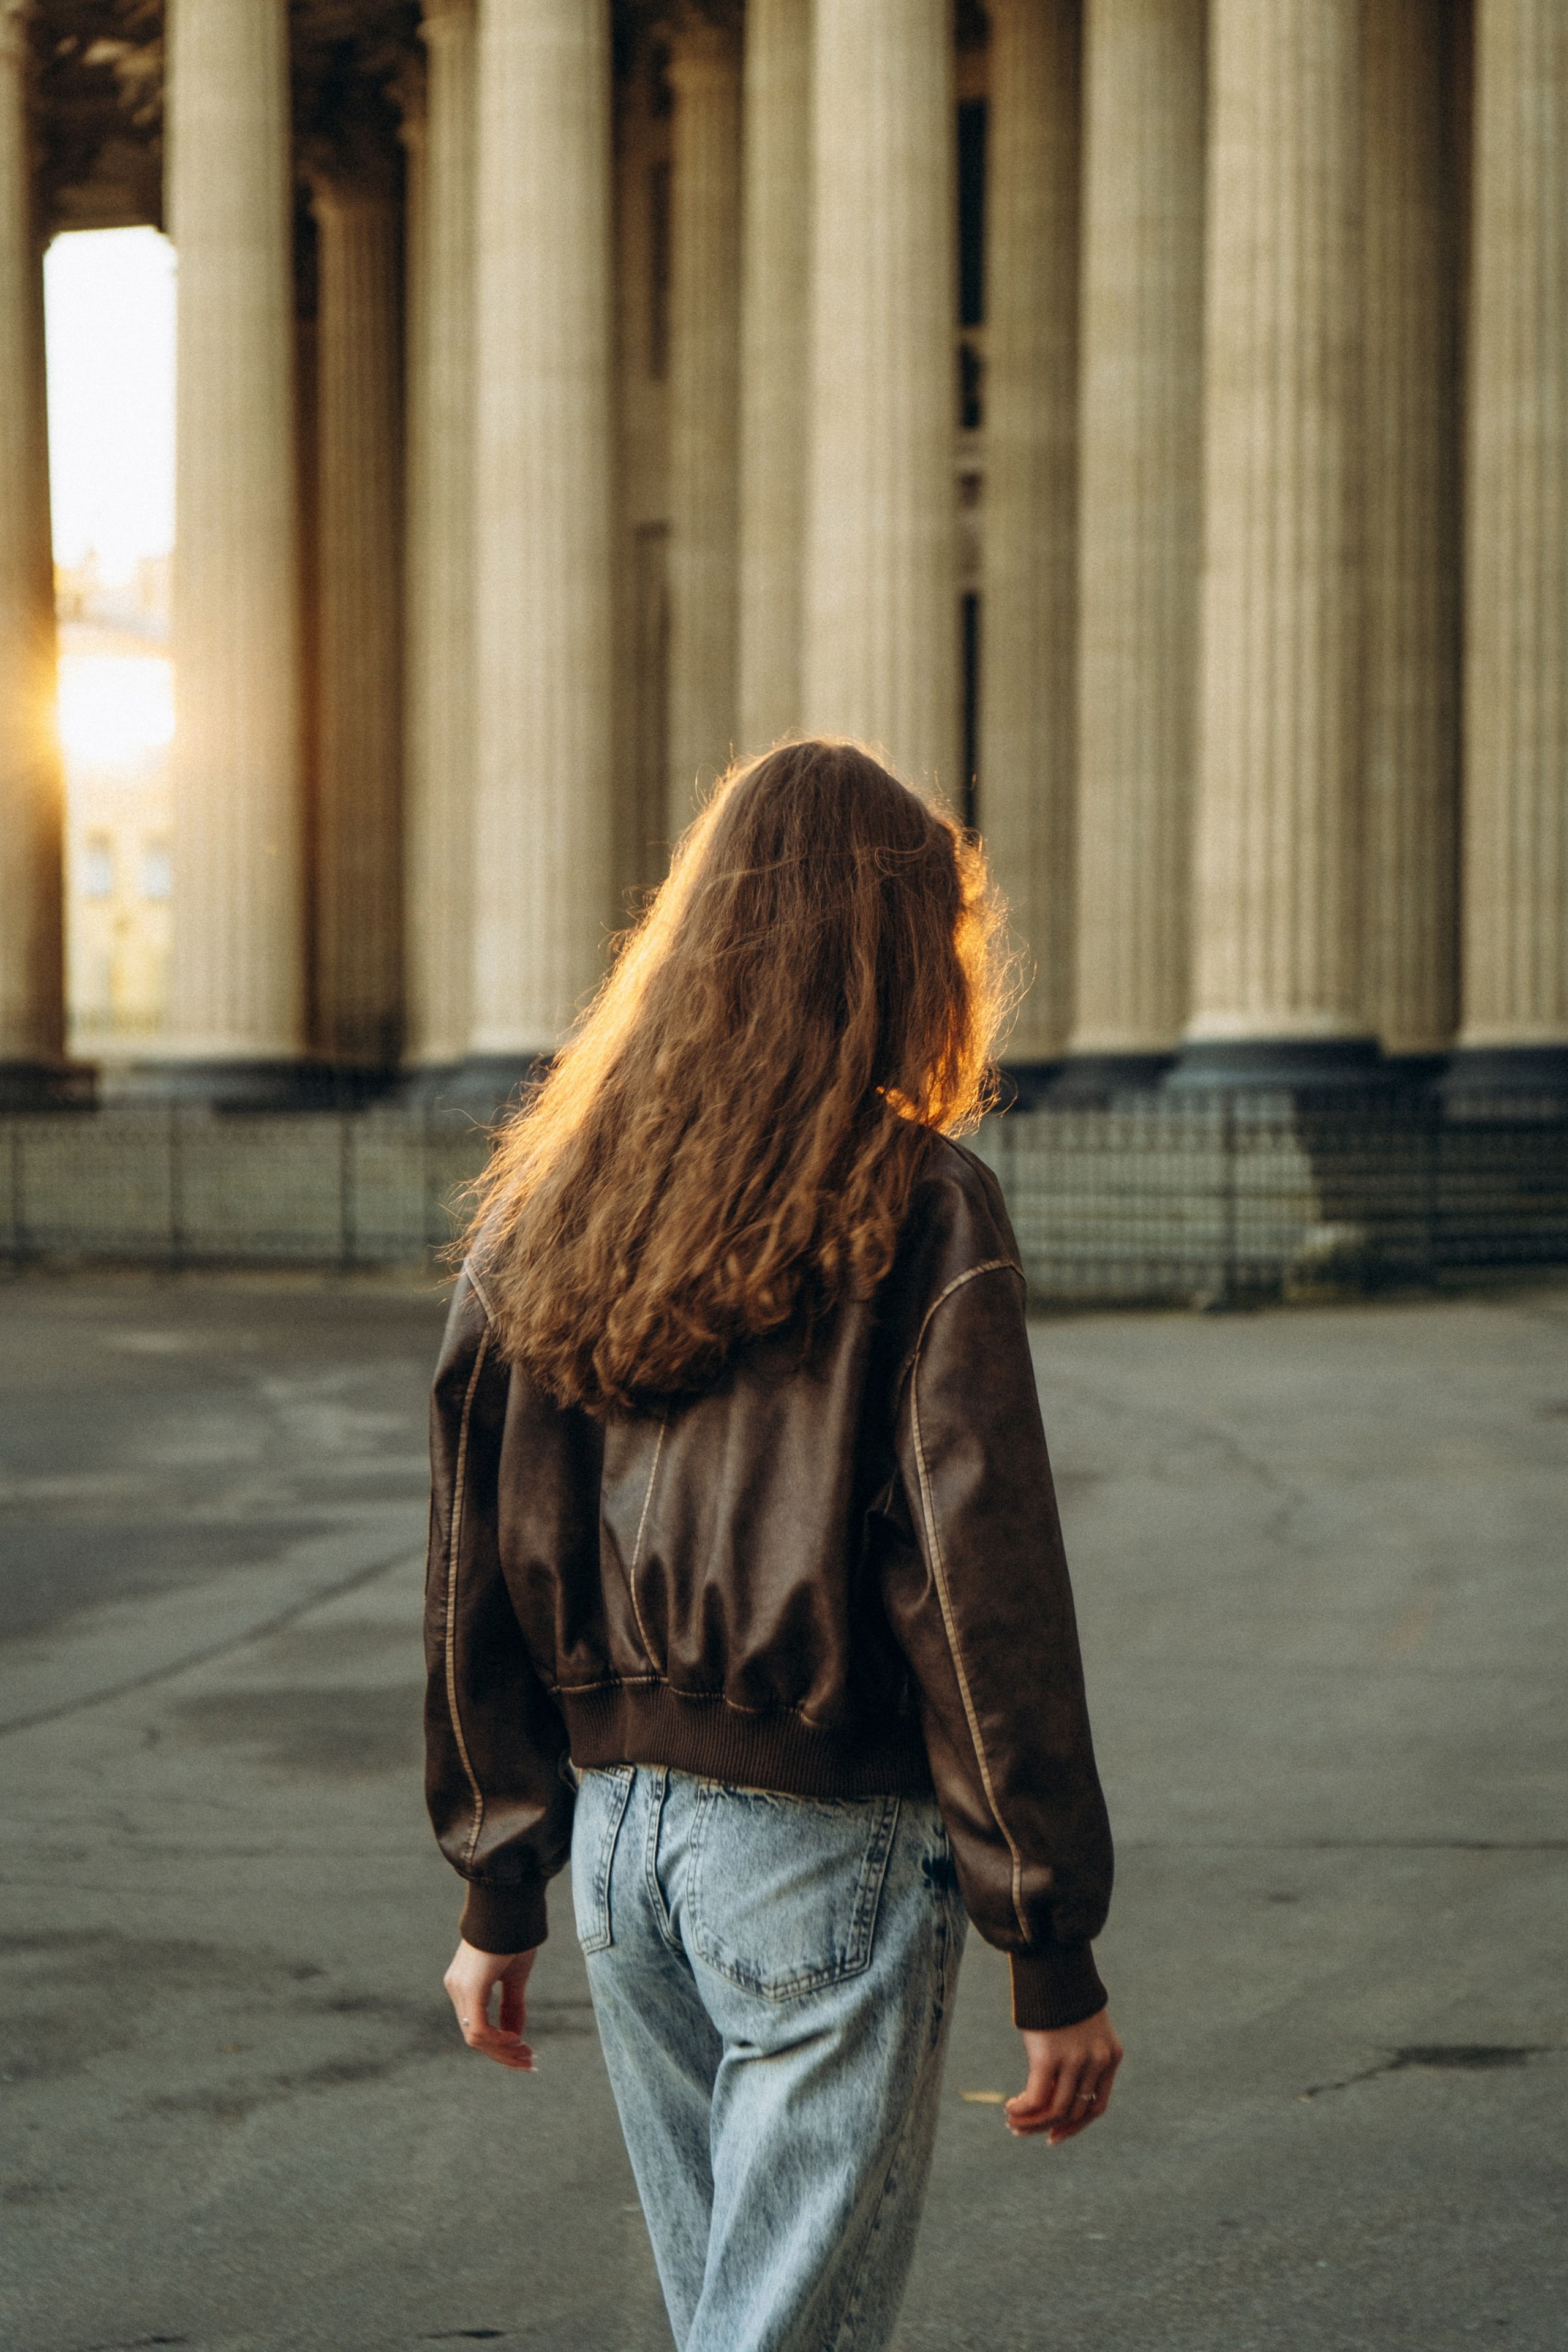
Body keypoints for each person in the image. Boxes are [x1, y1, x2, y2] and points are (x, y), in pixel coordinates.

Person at [424, 739, 1121, 2352]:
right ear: (896, 956)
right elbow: (977, 1583)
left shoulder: (554, 1207)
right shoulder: (922, 1209)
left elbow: (478, 1554)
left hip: (620, 1860)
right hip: (821, 1851)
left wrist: (499, 1885)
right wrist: (1053, 1935)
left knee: (737, 2325)